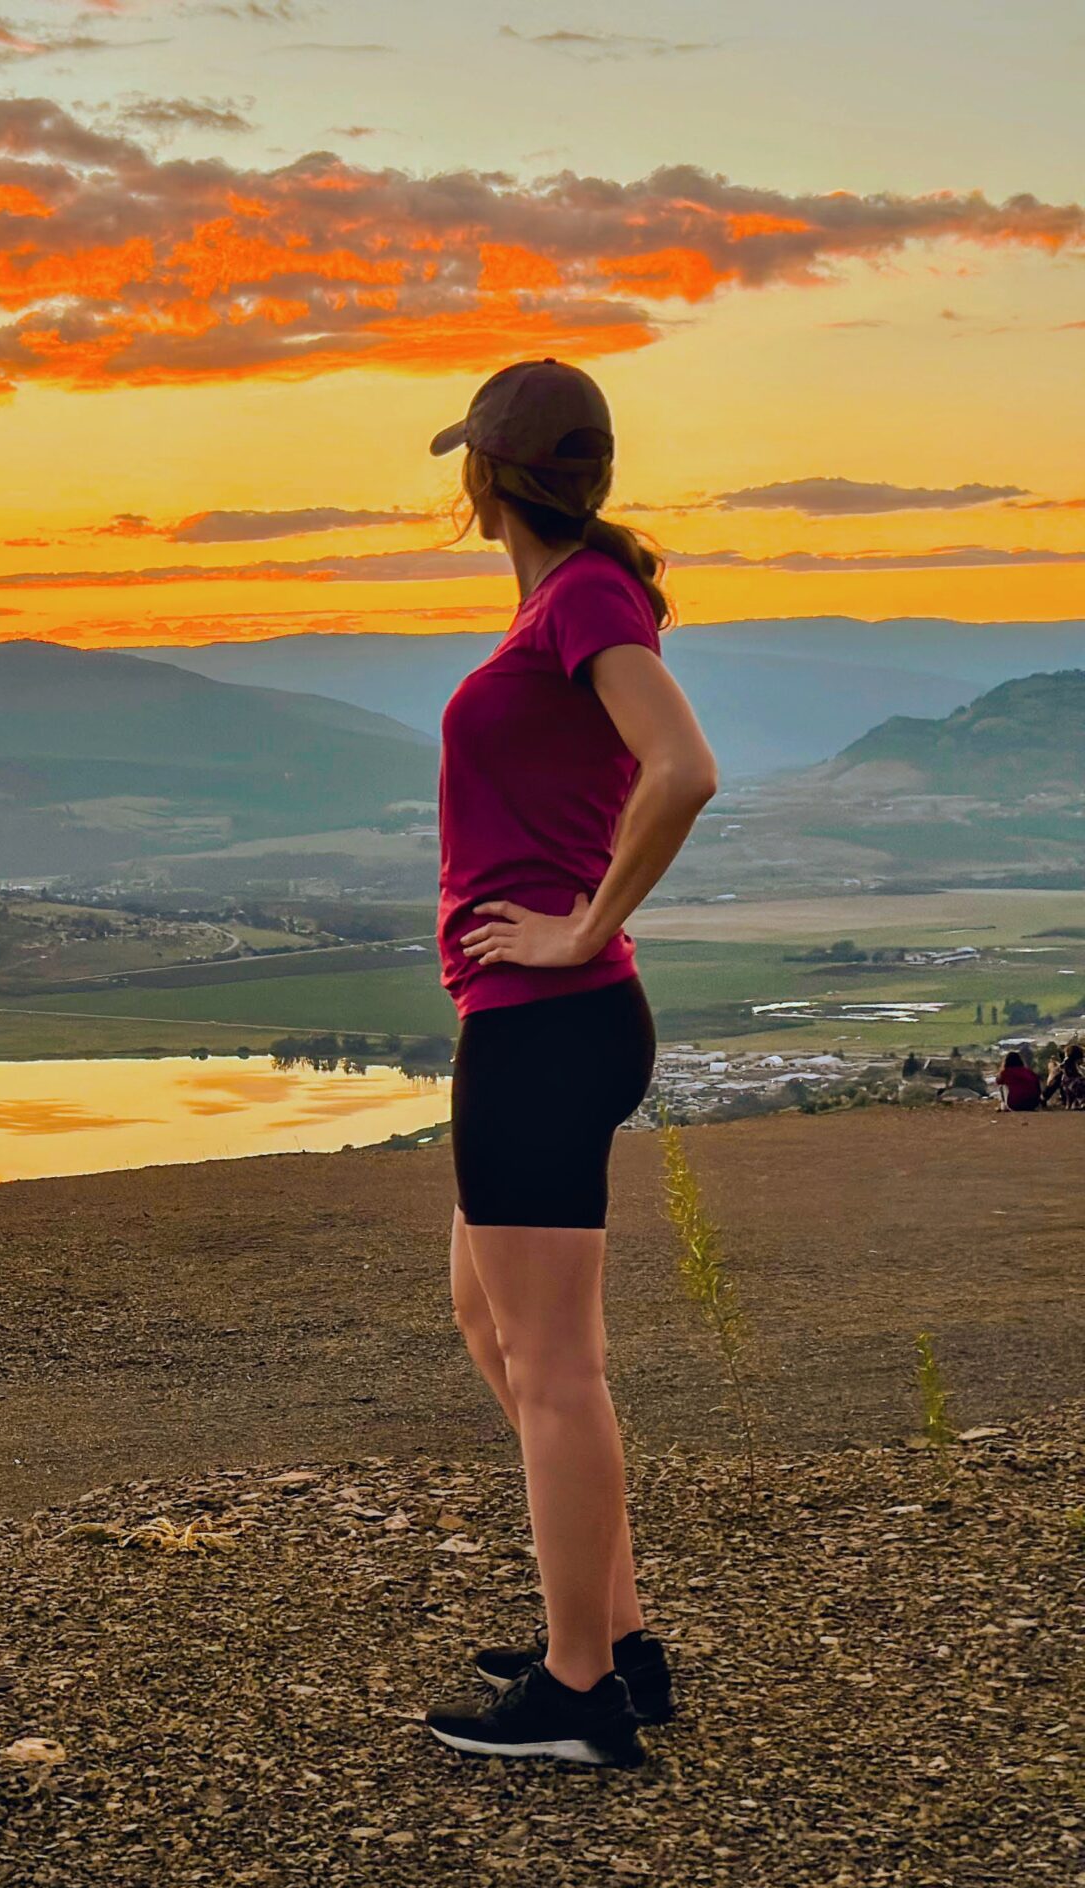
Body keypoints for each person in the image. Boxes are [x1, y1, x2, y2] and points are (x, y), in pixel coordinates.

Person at [416, 360, 719, 1770]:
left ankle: (582, 1691)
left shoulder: (588, 598)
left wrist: (586, 922)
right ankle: (623, 1634)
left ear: (484, 480)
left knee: (555, 1367)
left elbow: (684, 768)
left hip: (548, 1019)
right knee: (492, 1326)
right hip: (535, 1021)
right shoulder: (566, 601)